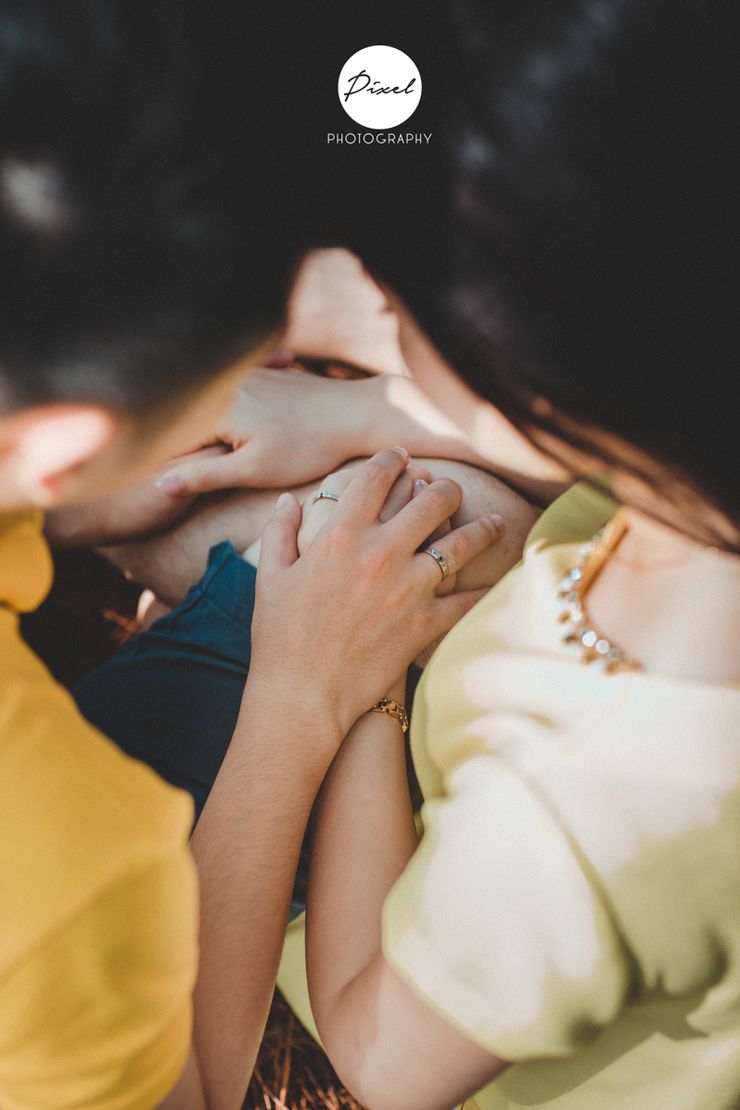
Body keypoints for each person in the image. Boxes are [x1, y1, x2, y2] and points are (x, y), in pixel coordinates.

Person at [65, 2, 737, 1107]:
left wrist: (349, 686)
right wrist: (359, 411)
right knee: (373, 510)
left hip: (389, 874)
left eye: (392, 300)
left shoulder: (579, 821)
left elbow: (376, 1055)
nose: (375, 309)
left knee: (344, 522)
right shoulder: (689, 480)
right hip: (449, 693)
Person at [0, 4, 505, 1108]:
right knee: (441, 517)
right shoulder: (64, 872)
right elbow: (192, 1093)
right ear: (63, 445)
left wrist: (55, 513)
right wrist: (303, 695)